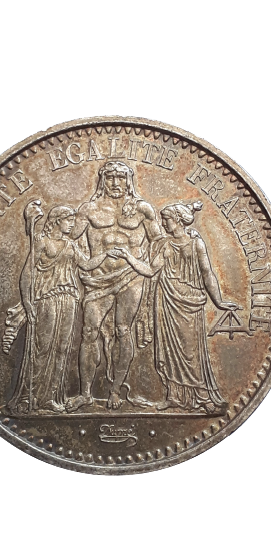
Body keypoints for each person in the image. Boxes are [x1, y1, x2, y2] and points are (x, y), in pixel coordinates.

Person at [110, 201, 239, 415]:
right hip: (167, 301)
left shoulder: (196, 243)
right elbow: (150, 270)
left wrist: (218, 301)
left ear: (178, 220)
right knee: (169, 351)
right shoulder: (165, 245)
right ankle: (174, 396)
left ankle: (203, 396)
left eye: (166, 219)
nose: (163, 224)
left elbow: (207, 273)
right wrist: (128, 257)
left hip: (190, 303)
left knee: (191, 352)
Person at [65, 161, 163, 412]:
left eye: (120, 178)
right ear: (102, 181)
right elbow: (69, 239)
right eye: (110, 178)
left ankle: (116, 390)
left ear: (129, 181)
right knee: (89, 332)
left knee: (123, 330)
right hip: (98, 278)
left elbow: (159, 241)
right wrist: (85, 263)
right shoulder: (89, 209)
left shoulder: (143, 209)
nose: (115, 183)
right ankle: (85, 393)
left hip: (131, 277)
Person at [6, 205, 112, 414]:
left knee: (62, 349)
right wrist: (27, 302)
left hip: (68, 298)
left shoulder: (70, 245)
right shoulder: (42, 242)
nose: (72, 223)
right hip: (47, 298)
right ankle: (31, 396)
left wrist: (107, 254)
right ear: (56, 221)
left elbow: (87, 265)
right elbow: (27, 273)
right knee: (43, 348)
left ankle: (51, 398)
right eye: (68, 219)